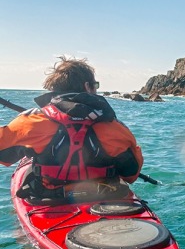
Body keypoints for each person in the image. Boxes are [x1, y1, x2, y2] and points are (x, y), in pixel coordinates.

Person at [0, 56, 144, 199]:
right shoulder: (115, 127)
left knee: (28, 172)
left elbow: (3, 155)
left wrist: (21, 128)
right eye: (96, 85)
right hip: (103, 196)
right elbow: (131, 174)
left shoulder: (31, 121)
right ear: (88, 86)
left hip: (50, 199)